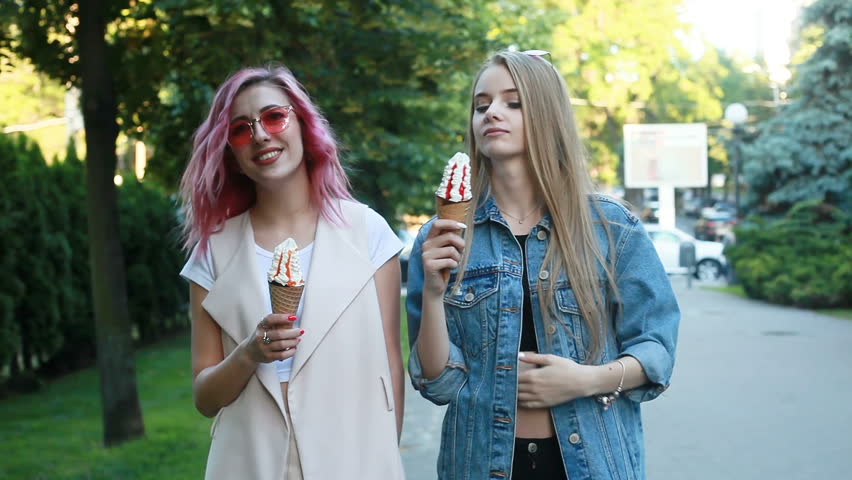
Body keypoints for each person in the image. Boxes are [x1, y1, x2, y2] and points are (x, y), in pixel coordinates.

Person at [406, 50, 680, 479]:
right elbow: (438, 383)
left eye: (512, 102)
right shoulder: (442, 237)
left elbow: (656, 350)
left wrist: (586, 380)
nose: (492, 112)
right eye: (482, 105)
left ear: (548, 115)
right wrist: (435, 294)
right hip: (482, 465)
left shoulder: (612, 227)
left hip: (592, 463)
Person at [179, 64, 406, 480]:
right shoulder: (214, 252)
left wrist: (384, 458)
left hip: (351, 460)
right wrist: (250, 351)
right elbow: (204, 396)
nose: (260, 135)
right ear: (230, 150)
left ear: (302, 123)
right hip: (248, 465)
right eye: (241, 129)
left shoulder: (367, 232)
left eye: (273, 117)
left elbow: (390, 366)